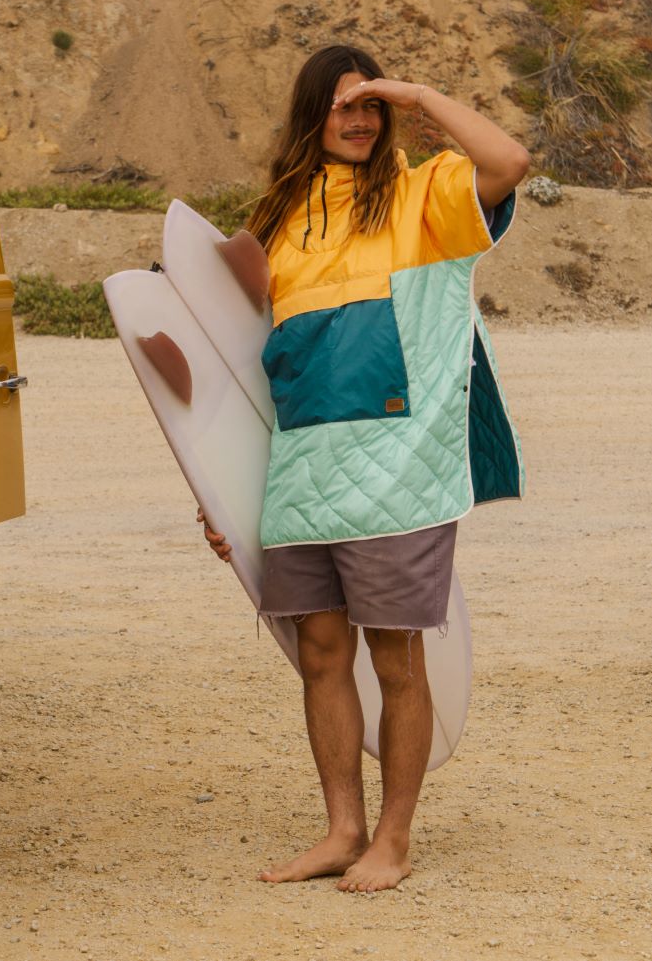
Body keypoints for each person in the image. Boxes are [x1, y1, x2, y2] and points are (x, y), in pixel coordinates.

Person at [198, 44, 528, 893]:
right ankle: (342, 827)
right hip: (305, 471)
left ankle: (394, 836)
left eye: (370, 105)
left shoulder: (425, 197)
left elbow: (508, 160)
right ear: (312, 114)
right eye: (343, 104)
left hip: (397, 468)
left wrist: (416, 93)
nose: (358, 118)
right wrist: (221, 487)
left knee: (395, 660)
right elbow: (246, 370)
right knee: (317, 653)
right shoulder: (274, 222)